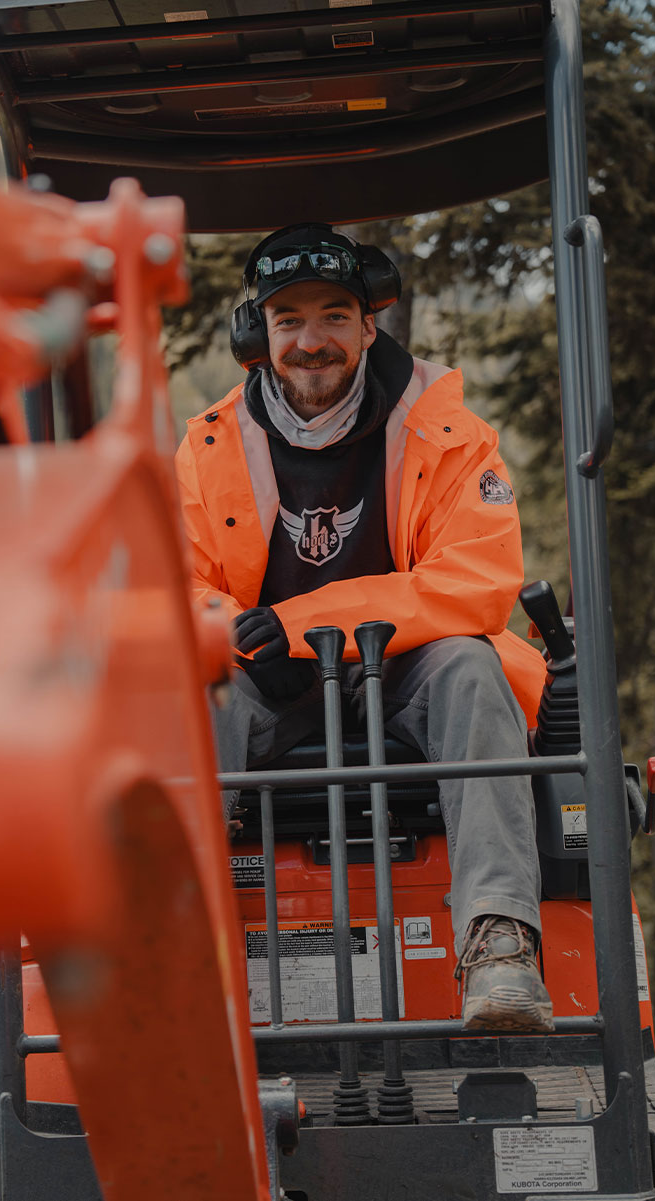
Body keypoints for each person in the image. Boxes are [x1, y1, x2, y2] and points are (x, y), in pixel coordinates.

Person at [174, 223, 552, 1032]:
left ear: (369, 325)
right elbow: (179, 583)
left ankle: (499, 946)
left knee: (471, 667)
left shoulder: (448, 432)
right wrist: (243, 637)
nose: (311, 341)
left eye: (334, 317)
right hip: (269, 684)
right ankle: (176, 957)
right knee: (193, 697)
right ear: (257, 334)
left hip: (405, 671)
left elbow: (477, 582)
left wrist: (297, 624)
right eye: (289, 320)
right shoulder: (209, 446)